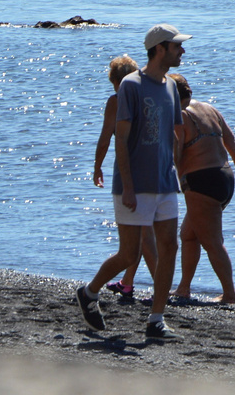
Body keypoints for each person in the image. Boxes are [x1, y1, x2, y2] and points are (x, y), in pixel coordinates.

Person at [75, 25, 187, 339]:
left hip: (165, 182)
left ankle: (156, 319)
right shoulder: (131, 86)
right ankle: (89, 292)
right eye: (177, 46)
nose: (182, 51)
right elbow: (120, 139)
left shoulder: (171, 88)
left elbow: (174, 137)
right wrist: (126, 185)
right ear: (161, 48)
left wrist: (181, 175)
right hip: (135, 184)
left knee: (169, 247)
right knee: (129, 254)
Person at [167, 72, 235, 305]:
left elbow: (176, 155)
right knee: (189, 235)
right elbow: (230, 140)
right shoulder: (208, 108)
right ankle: (183, 288)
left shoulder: (179, 117)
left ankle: (230, 294)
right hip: (224, 178)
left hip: (201, 181)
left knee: (212, 241)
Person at [91, 54, 156, 301]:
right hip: (153, 169)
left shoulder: (117, 101)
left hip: (130, 172)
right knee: (140, 231)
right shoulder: (150, 98)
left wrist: (97, 166)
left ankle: (161, 288)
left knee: (142, 234)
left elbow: (106, 137)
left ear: (117, 81)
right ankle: (128, 282)